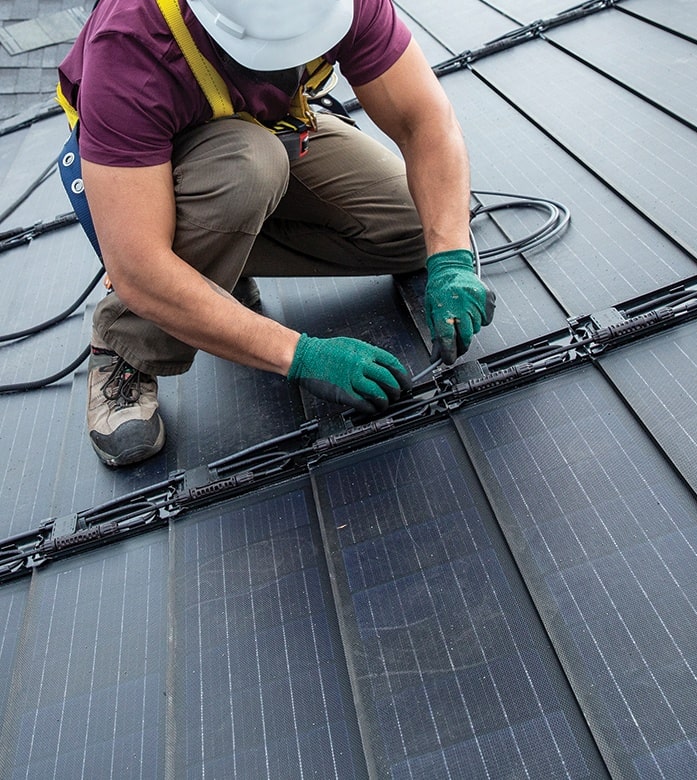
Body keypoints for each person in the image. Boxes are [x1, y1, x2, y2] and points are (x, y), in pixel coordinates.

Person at [56, 0, 493, 467]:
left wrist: (450, 258)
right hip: (153, 176)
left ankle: (209, 263)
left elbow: (423, 121)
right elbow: (139, 267)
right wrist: (299, 354)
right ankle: (125, 342)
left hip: (268, 128)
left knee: (413, 227)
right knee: (247, 166)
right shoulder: (130, 45)